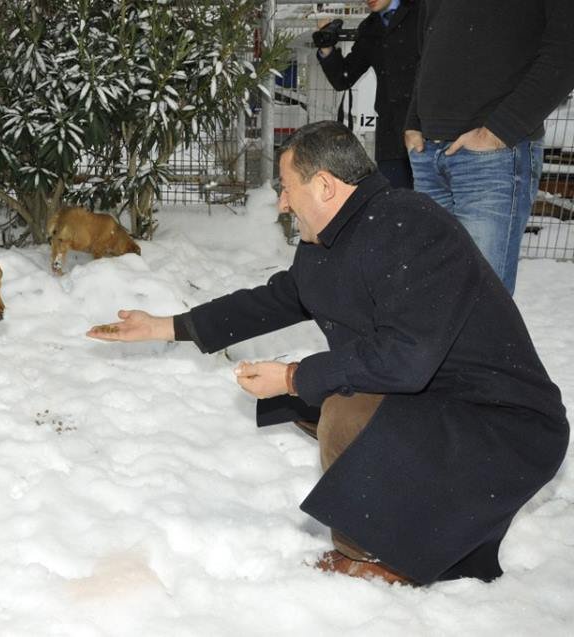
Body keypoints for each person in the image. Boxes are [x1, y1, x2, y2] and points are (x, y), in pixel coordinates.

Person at [87, 121, 568, 586]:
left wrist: (295, 376)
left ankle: (381, 555)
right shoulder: (335, 238)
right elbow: (275, 299)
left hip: (505, 423)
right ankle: (404, 504)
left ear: (324, 186)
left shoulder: (412, 226)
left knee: (343, 410)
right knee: (325, 397)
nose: (281, 201)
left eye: (285, 186)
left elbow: (406, 357)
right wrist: (166, 326)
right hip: (441, 398)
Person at [404, 0, 574, 295]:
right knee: (432, 297)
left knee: (479, 304)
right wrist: (413, 120)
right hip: (428, 152)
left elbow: (566, 50)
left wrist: (499, 131)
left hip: (492, 157)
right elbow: (427, 45)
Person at [314, 0, 419, 189]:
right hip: (392, 140)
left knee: (438, 210)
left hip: (431, 133)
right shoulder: (370, 27)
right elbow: (343, 78)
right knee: (397, 210)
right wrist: (326, 46)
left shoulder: (424, 11)